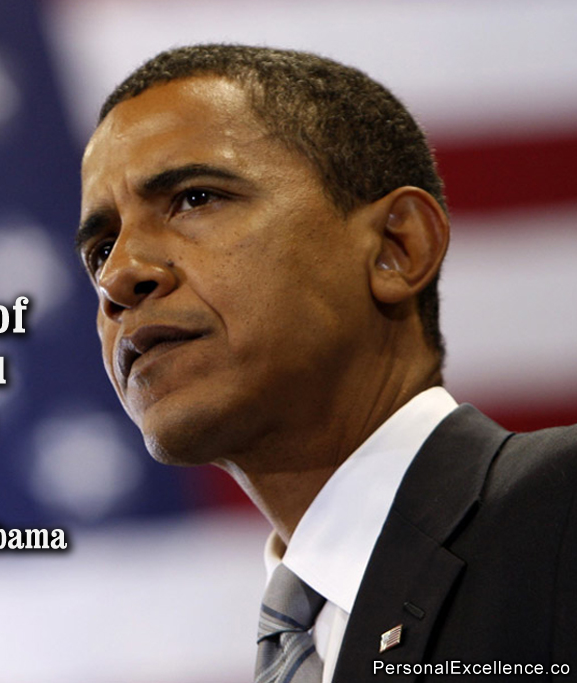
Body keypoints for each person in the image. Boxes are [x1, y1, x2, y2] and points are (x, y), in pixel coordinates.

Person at [75, 44, 577, 682]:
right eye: (100, 250)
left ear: (397, 247)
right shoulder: (307, 641)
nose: (119, 276)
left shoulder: (562, 511)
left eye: (195, 198)